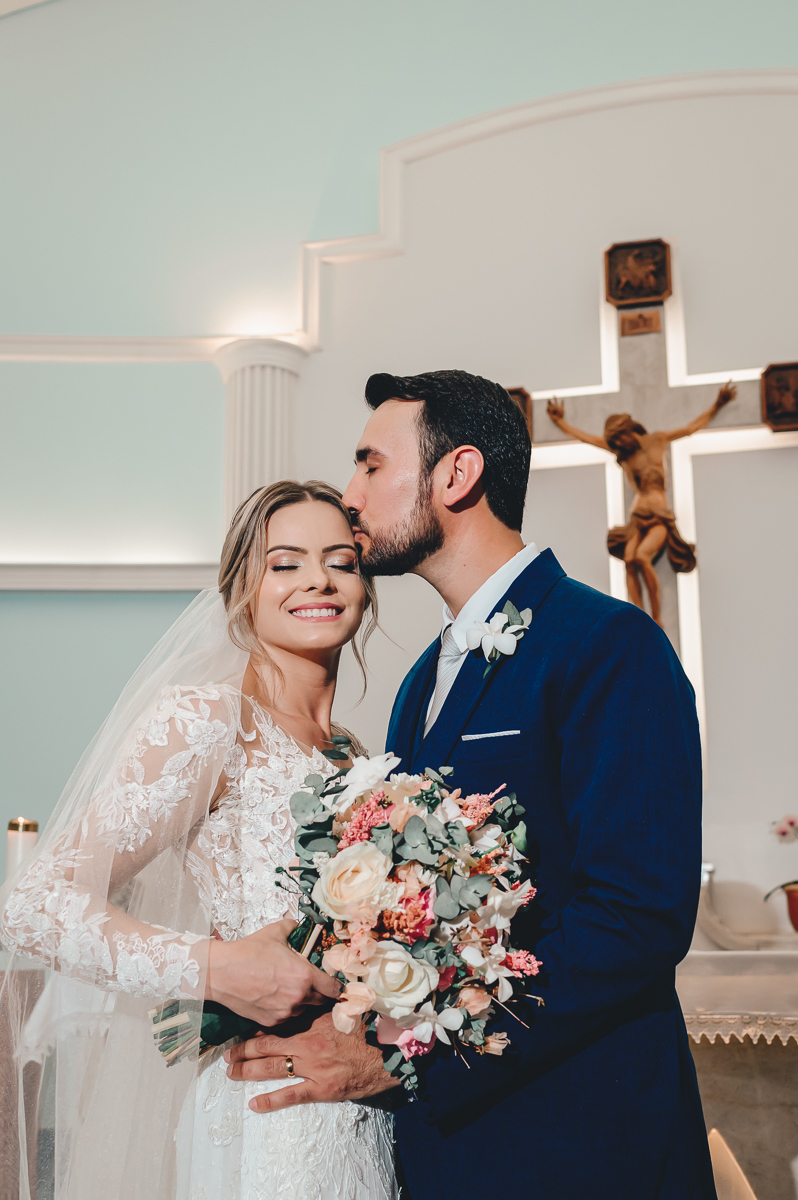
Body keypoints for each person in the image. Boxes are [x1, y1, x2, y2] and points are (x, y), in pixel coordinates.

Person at [227, 371, 716, 1200]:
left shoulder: (608, 646)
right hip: (450, 1152)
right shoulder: (423, 681)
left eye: (370, 466)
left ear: (455, 476)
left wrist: (408, 1051)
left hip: (581, 1144)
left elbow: (634, 918)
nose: (350, 496)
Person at [0, 481, 399, 1200]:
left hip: (356, 1106)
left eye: (341, 560)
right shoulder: (209, 721)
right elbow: (35, 904)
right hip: (261, 1119)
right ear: (241, 588)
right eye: (286, 563)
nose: (319, 579)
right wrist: (216, 969)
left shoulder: (354, 754)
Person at [546, 386, 736, 626]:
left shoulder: (657, 439)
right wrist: (561, 422)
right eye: (614, 442)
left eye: (619, 438)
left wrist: (718, 405)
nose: (618, 444)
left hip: (659, 514)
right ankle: (637, 613)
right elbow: (588, 438)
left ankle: (655, 616)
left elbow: (690, 428)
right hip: (637, 514)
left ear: (628, 430)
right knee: (628, 558)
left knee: (642, 557)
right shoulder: (624, 454)